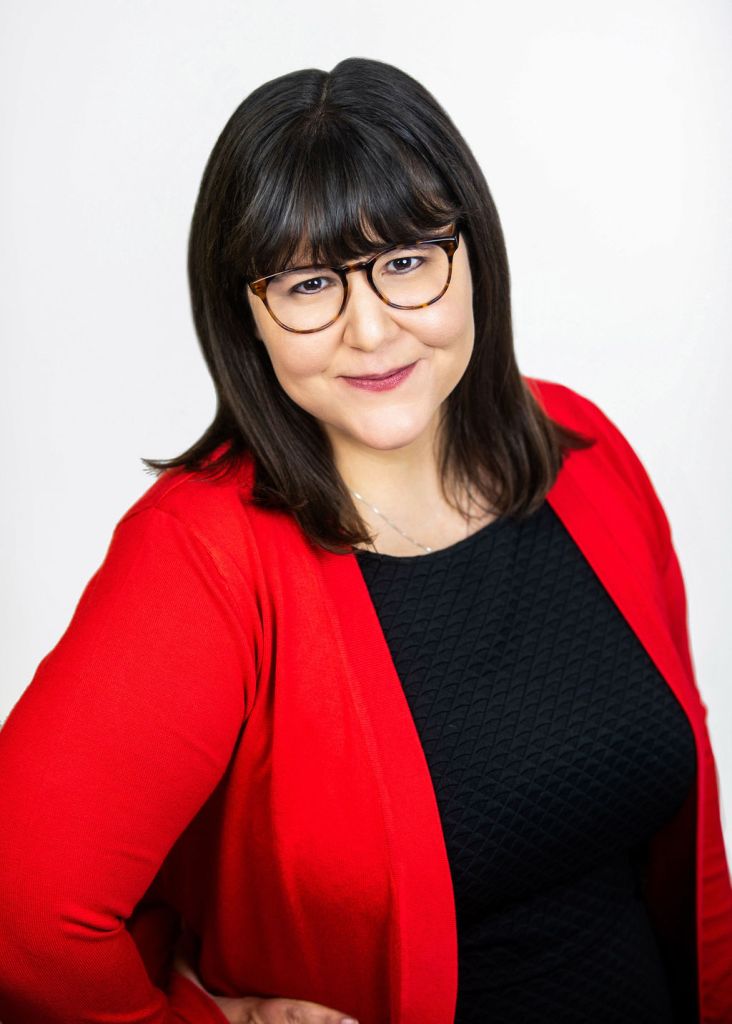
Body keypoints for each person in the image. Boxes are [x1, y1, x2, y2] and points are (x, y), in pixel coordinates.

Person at [0, 56, 730, 1024]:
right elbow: (21, 912)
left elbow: (683, 858)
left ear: (473, 256)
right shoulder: (199, 553)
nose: (371, 329)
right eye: (308, 283)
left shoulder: (586, 457)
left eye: (405, 261)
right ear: (247, 314)